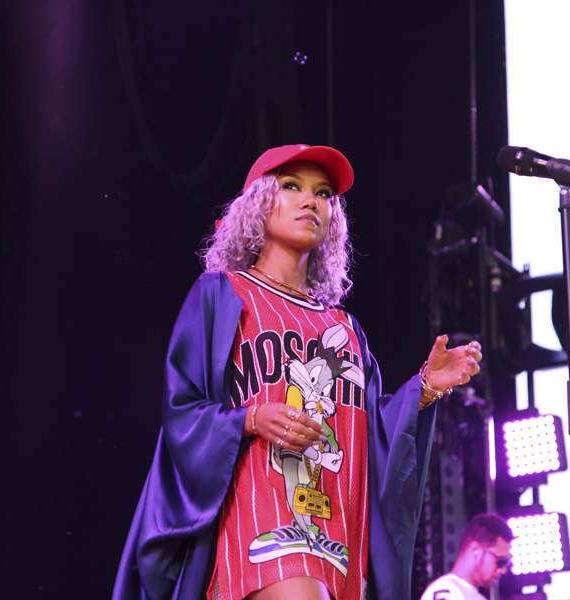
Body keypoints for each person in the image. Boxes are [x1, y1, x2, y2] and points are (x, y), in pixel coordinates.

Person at [113, 144, 483, 600]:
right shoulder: (223, 295)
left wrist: (425, 387)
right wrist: (251, 418)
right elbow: (182, 411)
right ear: (258, 204)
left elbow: (371, 435)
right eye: (292, 186)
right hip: (258, 520)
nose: (311, 201)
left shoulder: (345, 329)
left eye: (323, 193)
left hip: (338, 527)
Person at [419, 514, 514, 600]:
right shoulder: (446, 591)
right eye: (500, 561)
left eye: (506, 564)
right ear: (475, 551)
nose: (503, 570)